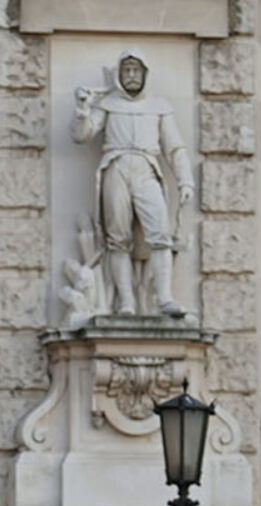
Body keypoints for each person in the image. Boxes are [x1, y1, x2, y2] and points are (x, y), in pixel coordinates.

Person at [71, 50, 193, 317]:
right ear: (119, 74)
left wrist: (185, 181)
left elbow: (175, 148)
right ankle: (126, 302)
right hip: (116, 166)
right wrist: (82, 109)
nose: (131, 75)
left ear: (145, 74)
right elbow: (82, 135)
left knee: (160, 233)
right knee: (118, 239)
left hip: (147, 167)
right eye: (126, 70)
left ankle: (164, 298)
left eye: (136, 70)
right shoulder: (108, 104)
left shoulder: (159, 105)